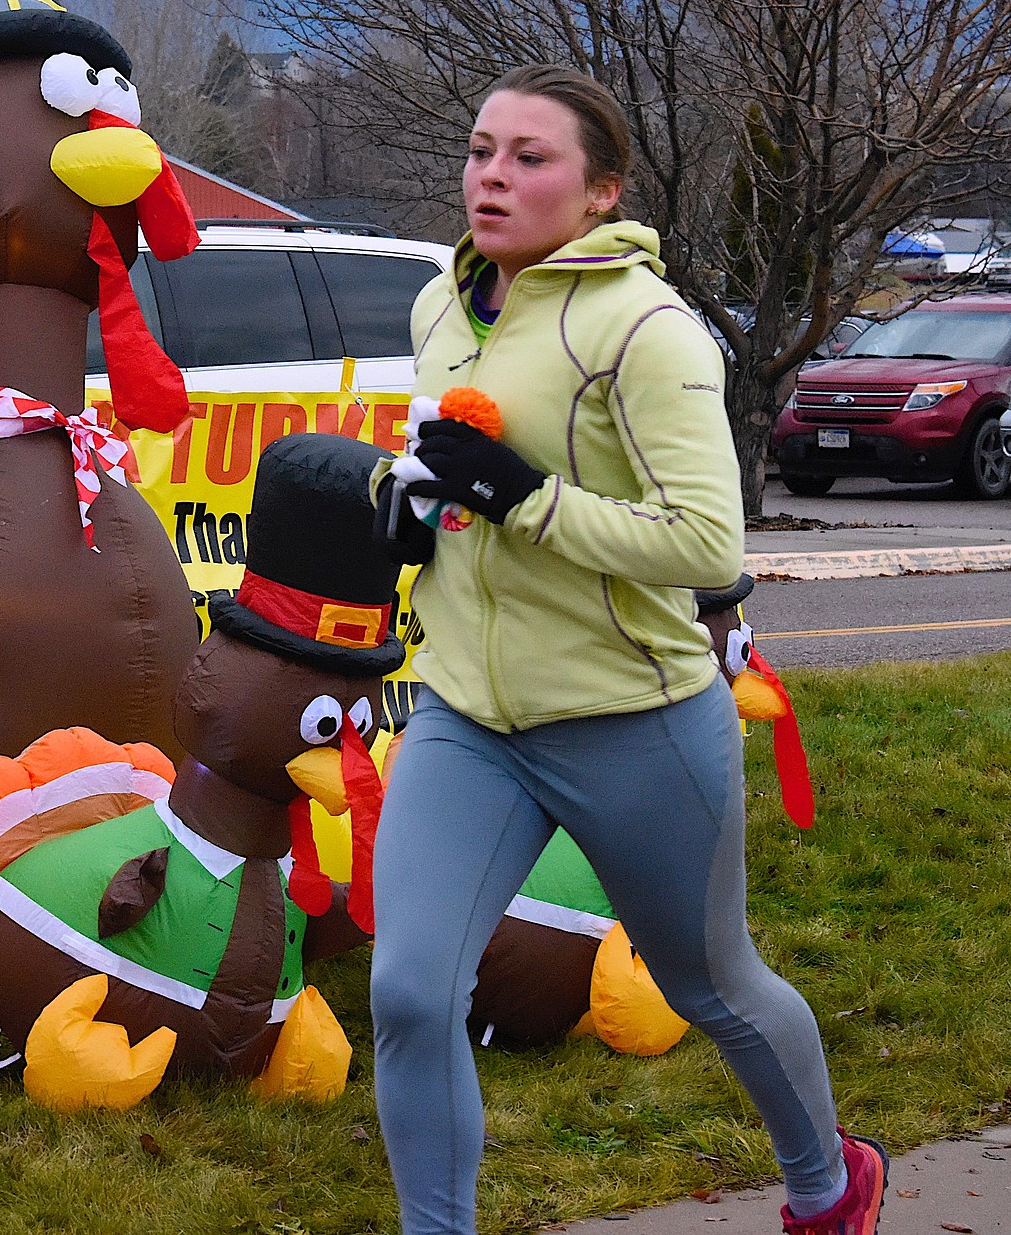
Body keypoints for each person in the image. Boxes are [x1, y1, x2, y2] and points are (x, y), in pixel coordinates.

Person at [367, 64, 888, 1235]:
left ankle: (828, 1181)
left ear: (601, 192)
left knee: (712, 985)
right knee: (407, 991)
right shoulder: (442, 307)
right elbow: (454, 475)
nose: (491, 175)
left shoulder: (650, 329)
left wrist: (523, 500)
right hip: (468, 718)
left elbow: (706, 540)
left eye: (529, 158)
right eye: (480, 147)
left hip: (633, 718)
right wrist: (416, 512)